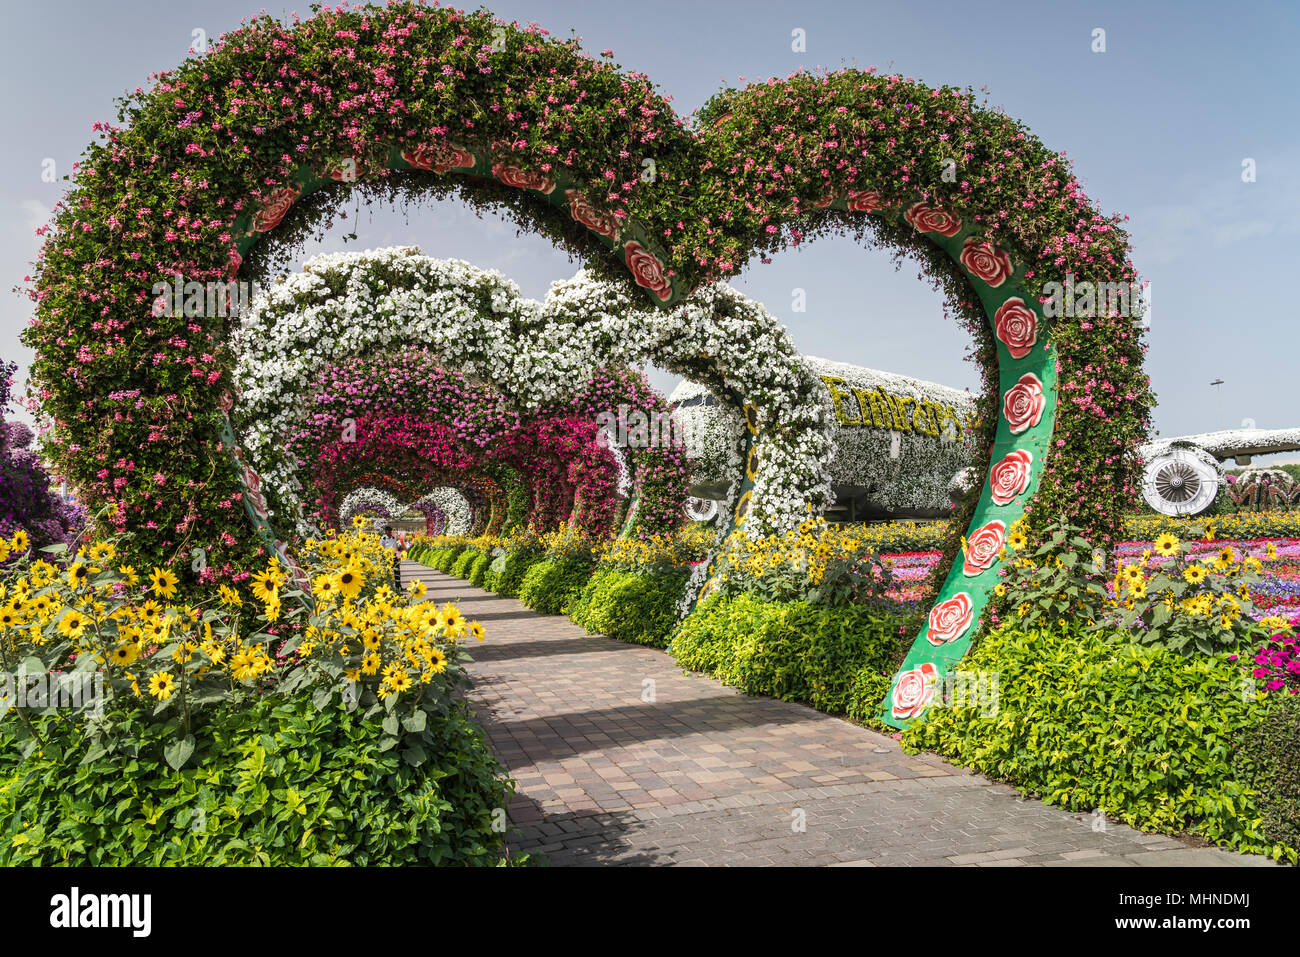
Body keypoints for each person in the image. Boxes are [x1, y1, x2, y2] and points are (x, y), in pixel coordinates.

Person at [380, 525, 402, 592]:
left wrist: (398, 556)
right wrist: (382, 557)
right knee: (388, 573)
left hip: (394, 556)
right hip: (387, 557)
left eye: (390, 531)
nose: (390, 532)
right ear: (386, 531)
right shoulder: (383, 538)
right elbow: (381, 548)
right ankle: (388, 588)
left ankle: (398, 587)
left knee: (397, 572)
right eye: (388, 531)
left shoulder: (394, 537)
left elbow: (397, 546)